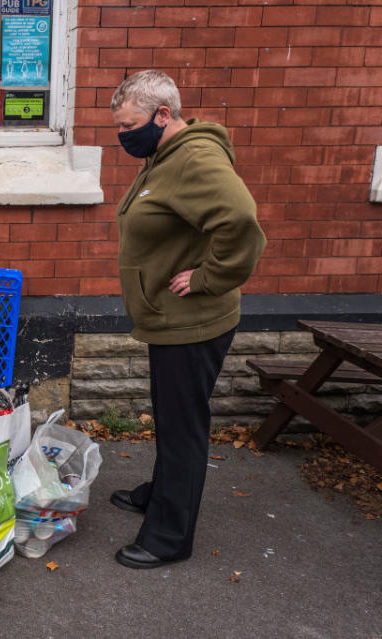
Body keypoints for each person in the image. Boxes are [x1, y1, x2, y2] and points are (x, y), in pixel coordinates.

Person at [108, 70, 266, 569]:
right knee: (172, 417)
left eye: (130, 125)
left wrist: (207, 278)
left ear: (162, 115)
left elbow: (241, 221)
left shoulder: (194, 157)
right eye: (118, 126)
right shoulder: (164, 155)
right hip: (169, 319)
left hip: (192, 319)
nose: (123, 136)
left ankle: (169, 537)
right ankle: (162, 494)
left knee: (184, 427)